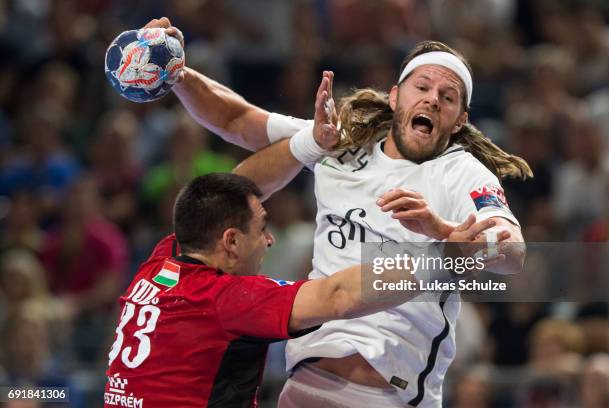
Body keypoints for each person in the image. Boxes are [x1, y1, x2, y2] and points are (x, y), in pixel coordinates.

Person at [143, 17, 529, 407]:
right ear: (395, 97)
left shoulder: (462, 173)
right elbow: (236, 120)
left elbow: (512, 252)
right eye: (423, 87)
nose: (432, 99)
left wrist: (444, 229)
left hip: (389, 392)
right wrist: (176, 71)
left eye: (448, 97)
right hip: (306, 383)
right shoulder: (339, 141)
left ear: (460, 120)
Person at [103, 172, 499, 408]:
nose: (269, 240)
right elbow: (337, 295)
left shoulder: (159, 264)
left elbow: (208, 198)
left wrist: (307, 144)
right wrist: (442, 255)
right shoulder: (227, 301)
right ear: (230, 241)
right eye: (261, 228)